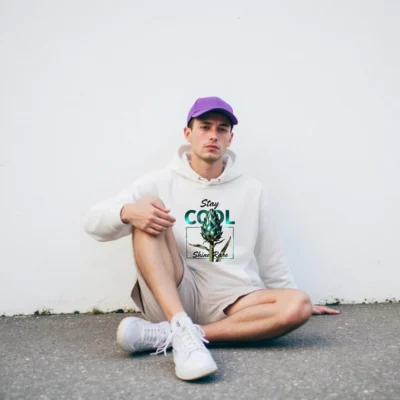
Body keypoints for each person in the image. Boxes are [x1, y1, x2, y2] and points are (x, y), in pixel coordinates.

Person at [84, 96, 339, 381]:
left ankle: (180, 334)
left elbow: (271, 255)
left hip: (233, 299)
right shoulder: (159, 181)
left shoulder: (251, 190)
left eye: (222, 129)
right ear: (188, 133)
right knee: (148, 209)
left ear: (230, 138)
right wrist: (128, 211)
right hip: (177, 291)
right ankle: (178, 322)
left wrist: (287, 294)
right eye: (205, 127)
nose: (213, 135)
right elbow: (93, 224)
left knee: (298, 304)